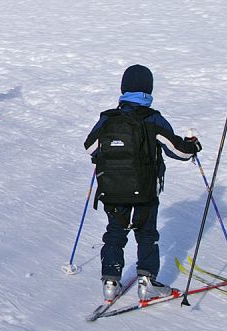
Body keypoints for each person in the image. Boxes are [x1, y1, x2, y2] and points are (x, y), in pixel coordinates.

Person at [83, 64, 201, 302]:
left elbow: (90, 147)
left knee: (115, 231)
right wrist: (194, 145)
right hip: (145, 190)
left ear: (123, 89)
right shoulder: (152, 118)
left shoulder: (108, 118)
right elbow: (178, 151)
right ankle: (147, 282)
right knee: (147, 233)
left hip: (112, 189)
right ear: (149, 89)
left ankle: (110, 282)